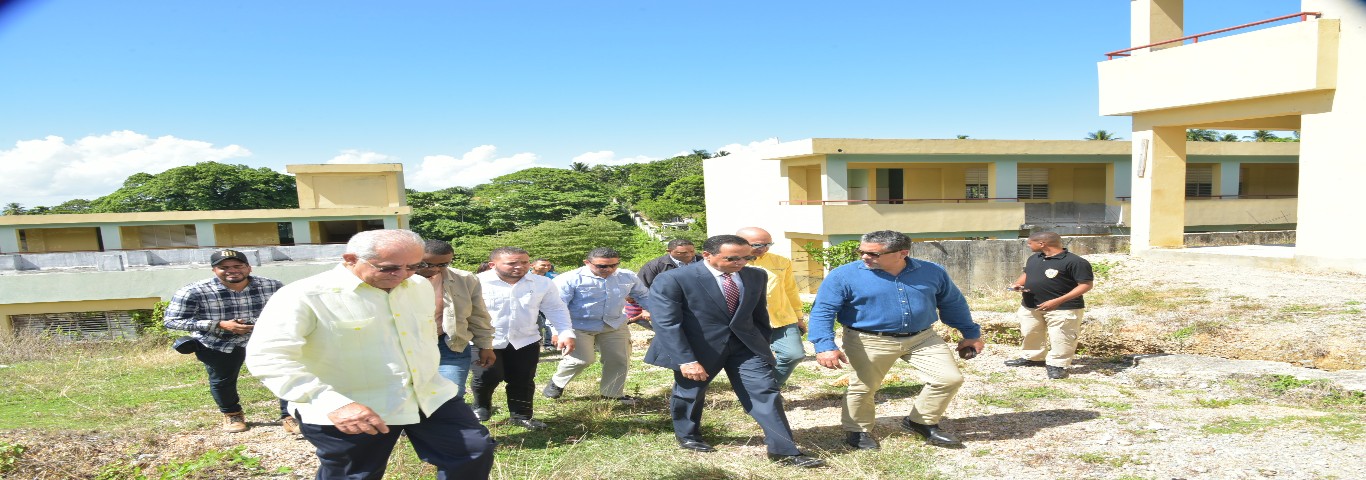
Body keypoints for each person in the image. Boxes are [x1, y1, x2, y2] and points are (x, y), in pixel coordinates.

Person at [245, 229, 494, 479]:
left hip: (427, 395)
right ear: (351, 259)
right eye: (389, 268)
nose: (402, 275)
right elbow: (268, 357)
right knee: (355, 475)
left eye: (414, 266)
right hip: (352, 404)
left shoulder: (418, 286)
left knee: (472, 452)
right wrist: (331, 402)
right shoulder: (305, 295)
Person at [644, 235, 824, 468]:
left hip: (745, 347)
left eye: (747, 257)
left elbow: (759, 315)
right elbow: (667, 323)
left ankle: (784, 451)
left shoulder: (756, 276)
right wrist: (686, 360)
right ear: (707, 255)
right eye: (732, 258)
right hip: (697, 348)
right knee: (690, 393)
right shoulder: (674, 279)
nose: (741, 263)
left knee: (765, 391)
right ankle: (688, 435)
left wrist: (761, 343)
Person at [807, 230, 984, 451]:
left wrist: (970, 334)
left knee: (949, 379)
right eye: (861, 252)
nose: (865, 257)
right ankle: (858, 430)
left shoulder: (932, 272)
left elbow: (953, 304)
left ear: (902, 253)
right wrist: (824, 345)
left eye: (873, 254)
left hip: (922, 337)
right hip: (869, 339)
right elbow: (823, 311)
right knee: (864, 387)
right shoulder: (843, 275)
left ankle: (921, 421)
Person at [163, 249, 291, 434]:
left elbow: (288, 310)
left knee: (285, 374)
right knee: (223, 381)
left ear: (249, 268)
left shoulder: (272, 286)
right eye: (224, 267)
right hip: (217, 342)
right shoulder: (193, 291)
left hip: (263, 339)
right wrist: (219, 324)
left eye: (238, 266)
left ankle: (290, 415)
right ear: (214, 270)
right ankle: (232, 414)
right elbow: (172, 321)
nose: (232, 270)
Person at [471, 247, 575, 430]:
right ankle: (481, 406)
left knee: (523, 379)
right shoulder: (475, 282)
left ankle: (521, 415)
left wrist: (565, 332)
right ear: (493, 265)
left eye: (524, 262)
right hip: (486, 340)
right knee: (487, 376)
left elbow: (555, 308)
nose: (519, 266)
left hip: (525, 339)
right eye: (511, 263)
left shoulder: (542, 283)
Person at [543, 248, 651, 405]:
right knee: (581, 360)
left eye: (614, 265)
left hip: (614, 324)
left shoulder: (627, 276)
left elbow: (643, 296)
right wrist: (558, 331)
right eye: (602, 266)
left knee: (619, 359)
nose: (609, 269)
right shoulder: (569, 279)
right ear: (587, 262)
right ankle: (557, 383)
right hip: (577, 325)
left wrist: (656, 312)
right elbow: (556, 307)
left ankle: (612, 394)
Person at [1005, 231, 1095, 380]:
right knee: (1030, 332)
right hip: (1031, 306)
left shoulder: (1076, 262)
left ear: (1042, 244)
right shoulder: (1034, 258)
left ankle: (1058, 365)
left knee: (1062, 336)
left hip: (1063, 308)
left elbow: (1086, 285)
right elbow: (1027, 274)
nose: (1028, 245)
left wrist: (1058, 301)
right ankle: (1034, 357)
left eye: (1030, 243)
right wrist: (1017, 284)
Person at [416, 240, 496, 398]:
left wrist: (485, 345)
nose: (435, 269)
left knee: (451, 394)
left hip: (450, 344)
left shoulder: (465, 279)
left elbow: (478, 314)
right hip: (411, 345)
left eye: (443, 264)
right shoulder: (398, 280)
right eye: (426, 264)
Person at [735, 227, 807, 387]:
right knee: (750, 360)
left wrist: (799, 317)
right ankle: (759, 393)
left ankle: (768, 388)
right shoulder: (731, 263)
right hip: (746, 321)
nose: (763, 249)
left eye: (768, 244)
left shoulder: (781, 262)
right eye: (757, 245)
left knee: (793, 355)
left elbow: (790, 290)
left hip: (781, 318)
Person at [530, 258, 557, 350]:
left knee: (550, 323)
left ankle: (548, 344)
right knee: (533, 325)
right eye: (543, 265)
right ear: (532, 265)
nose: (546, 267)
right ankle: (533, 345)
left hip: (547, 304)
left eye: (548, 265)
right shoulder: (523, 276)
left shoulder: (554, 276)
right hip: (530, 305)